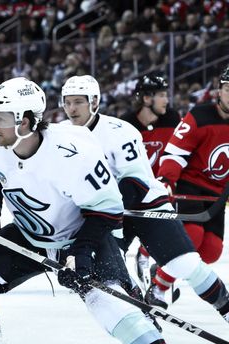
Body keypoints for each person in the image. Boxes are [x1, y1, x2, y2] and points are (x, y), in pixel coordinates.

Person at [0, 77, 210, 344]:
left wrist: (80, 252)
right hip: (30, 236)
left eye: (1, 118)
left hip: (83, 235)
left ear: (26, 121)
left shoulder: (71, 153)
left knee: (114, 310)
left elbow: (108, 208)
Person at [60, 75, 229, 320]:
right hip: (104, 215)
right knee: (110, 275)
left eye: (78, 101)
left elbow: (135, 182)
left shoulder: (120, 130)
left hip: (145, 203)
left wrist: (111, 213)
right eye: (67, 102)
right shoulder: (59, 137)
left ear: (94, 102)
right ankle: (142, 312)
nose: (72, 109)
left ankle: (225, 307)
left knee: (186, 262)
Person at [157, 66, 229, 294]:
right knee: (193, 236)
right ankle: (159, 285)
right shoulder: (199, 115)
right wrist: (166, 181)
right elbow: (174, 152)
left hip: (217, 193)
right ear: (219, 91)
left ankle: (167, 267)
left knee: (211, 251)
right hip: (191, 187)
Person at [120, 74, 182, 290]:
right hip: (132, 193)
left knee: (169, 240)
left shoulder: (173, 119)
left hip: (160, 192)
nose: (166, 100)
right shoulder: (125, 125)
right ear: (147, 99)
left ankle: (147, 258)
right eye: (161, 95)